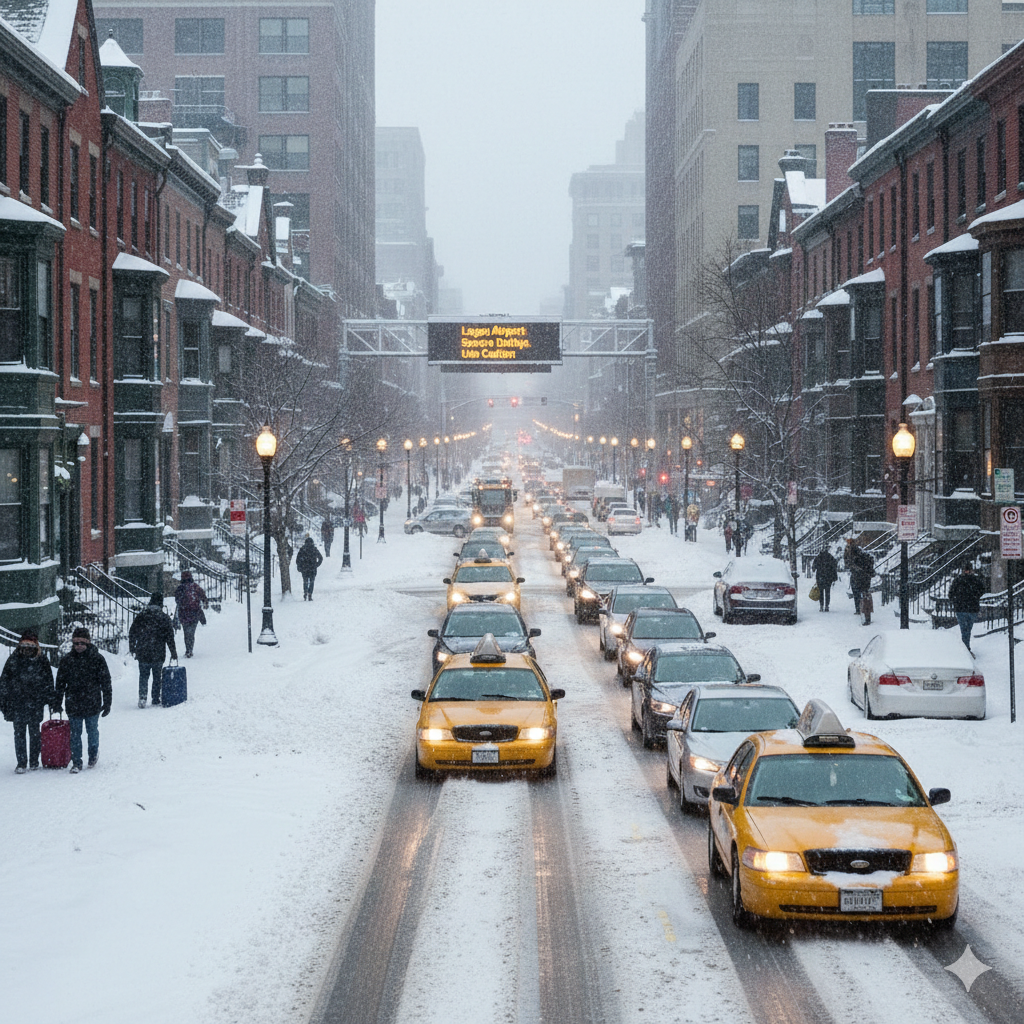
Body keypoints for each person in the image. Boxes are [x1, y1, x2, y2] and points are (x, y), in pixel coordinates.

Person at [53, 627, 112, 773]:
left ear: (88, 643)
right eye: (76, 643)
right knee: (75, 734)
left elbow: (105, 681)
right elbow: (60, 683)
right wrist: (57, 702)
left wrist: (107, 701)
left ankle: (92, 754)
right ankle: (77, 762)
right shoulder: (67, 660)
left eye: (82, 643)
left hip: (92, 702)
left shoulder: (97, 659)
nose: (79, 646)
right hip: (73, 703)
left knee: (92, 731)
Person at [0, 631, 56, 773]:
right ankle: (21, 762)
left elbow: (48, 681)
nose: (26, 647)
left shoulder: (41, 660)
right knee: (19, 733)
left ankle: (33, 761)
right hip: (17, 702)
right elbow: (4, 683)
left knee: (34, 733)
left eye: (29, 645)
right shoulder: (13, 660)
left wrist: (50, 699)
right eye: (24, 644)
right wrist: (4, 702)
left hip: (35, 702)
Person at [129, 592, 178, 706]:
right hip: (158, 652)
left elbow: (133, 632)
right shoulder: (164, 618)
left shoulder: (142, 615)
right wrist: (173, 652)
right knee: (157, 676)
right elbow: (169, 637)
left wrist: (132, 646)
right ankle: (155, 697)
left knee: (143, 676)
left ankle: (142, 697)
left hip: (143, 651)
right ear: (161, 603)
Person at [948, 563, 987, 652]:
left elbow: (951, 594)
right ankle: (966, 647)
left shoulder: (958, 580)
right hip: (972, 608)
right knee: (968, 628)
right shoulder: (976, 580)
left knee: (964, 629)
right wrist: (974, 597)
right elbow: (982, 590)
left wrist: (956, 601)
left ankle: (965, 647)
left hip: (961, 608)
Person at [173, 571, 207, 660]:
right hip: (195, 613)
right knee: (191, 633)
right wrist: (204, 602)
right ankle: (190, 649)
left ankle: (188, 649)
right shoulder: (195, 587)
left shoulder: (180, 588)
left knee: (186, 632)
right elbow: (203, 596)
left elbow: (177, 600)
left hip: (184, 614)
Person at [848, 543, 875, 624]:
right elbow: (871, 569)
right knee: (866, 594)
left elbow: (852, 569)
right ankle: (868, 612)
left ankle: (859, 609)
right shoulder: (868, 558)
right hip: (866, 580)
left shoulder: (855, 559)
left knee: (857, 594)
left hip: (857, 579)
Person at [295, 535, 324, 601]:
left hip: (304, 568)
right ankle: (310, 594)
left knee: (305, 581)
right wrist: (316, 564)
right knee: (311, 582)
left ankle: (305, 592)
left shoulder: (302, 549)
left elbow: (297, 559)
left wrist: (300, 566)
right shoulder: (314, 549)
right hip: (312, 568)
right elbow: (321, 558)